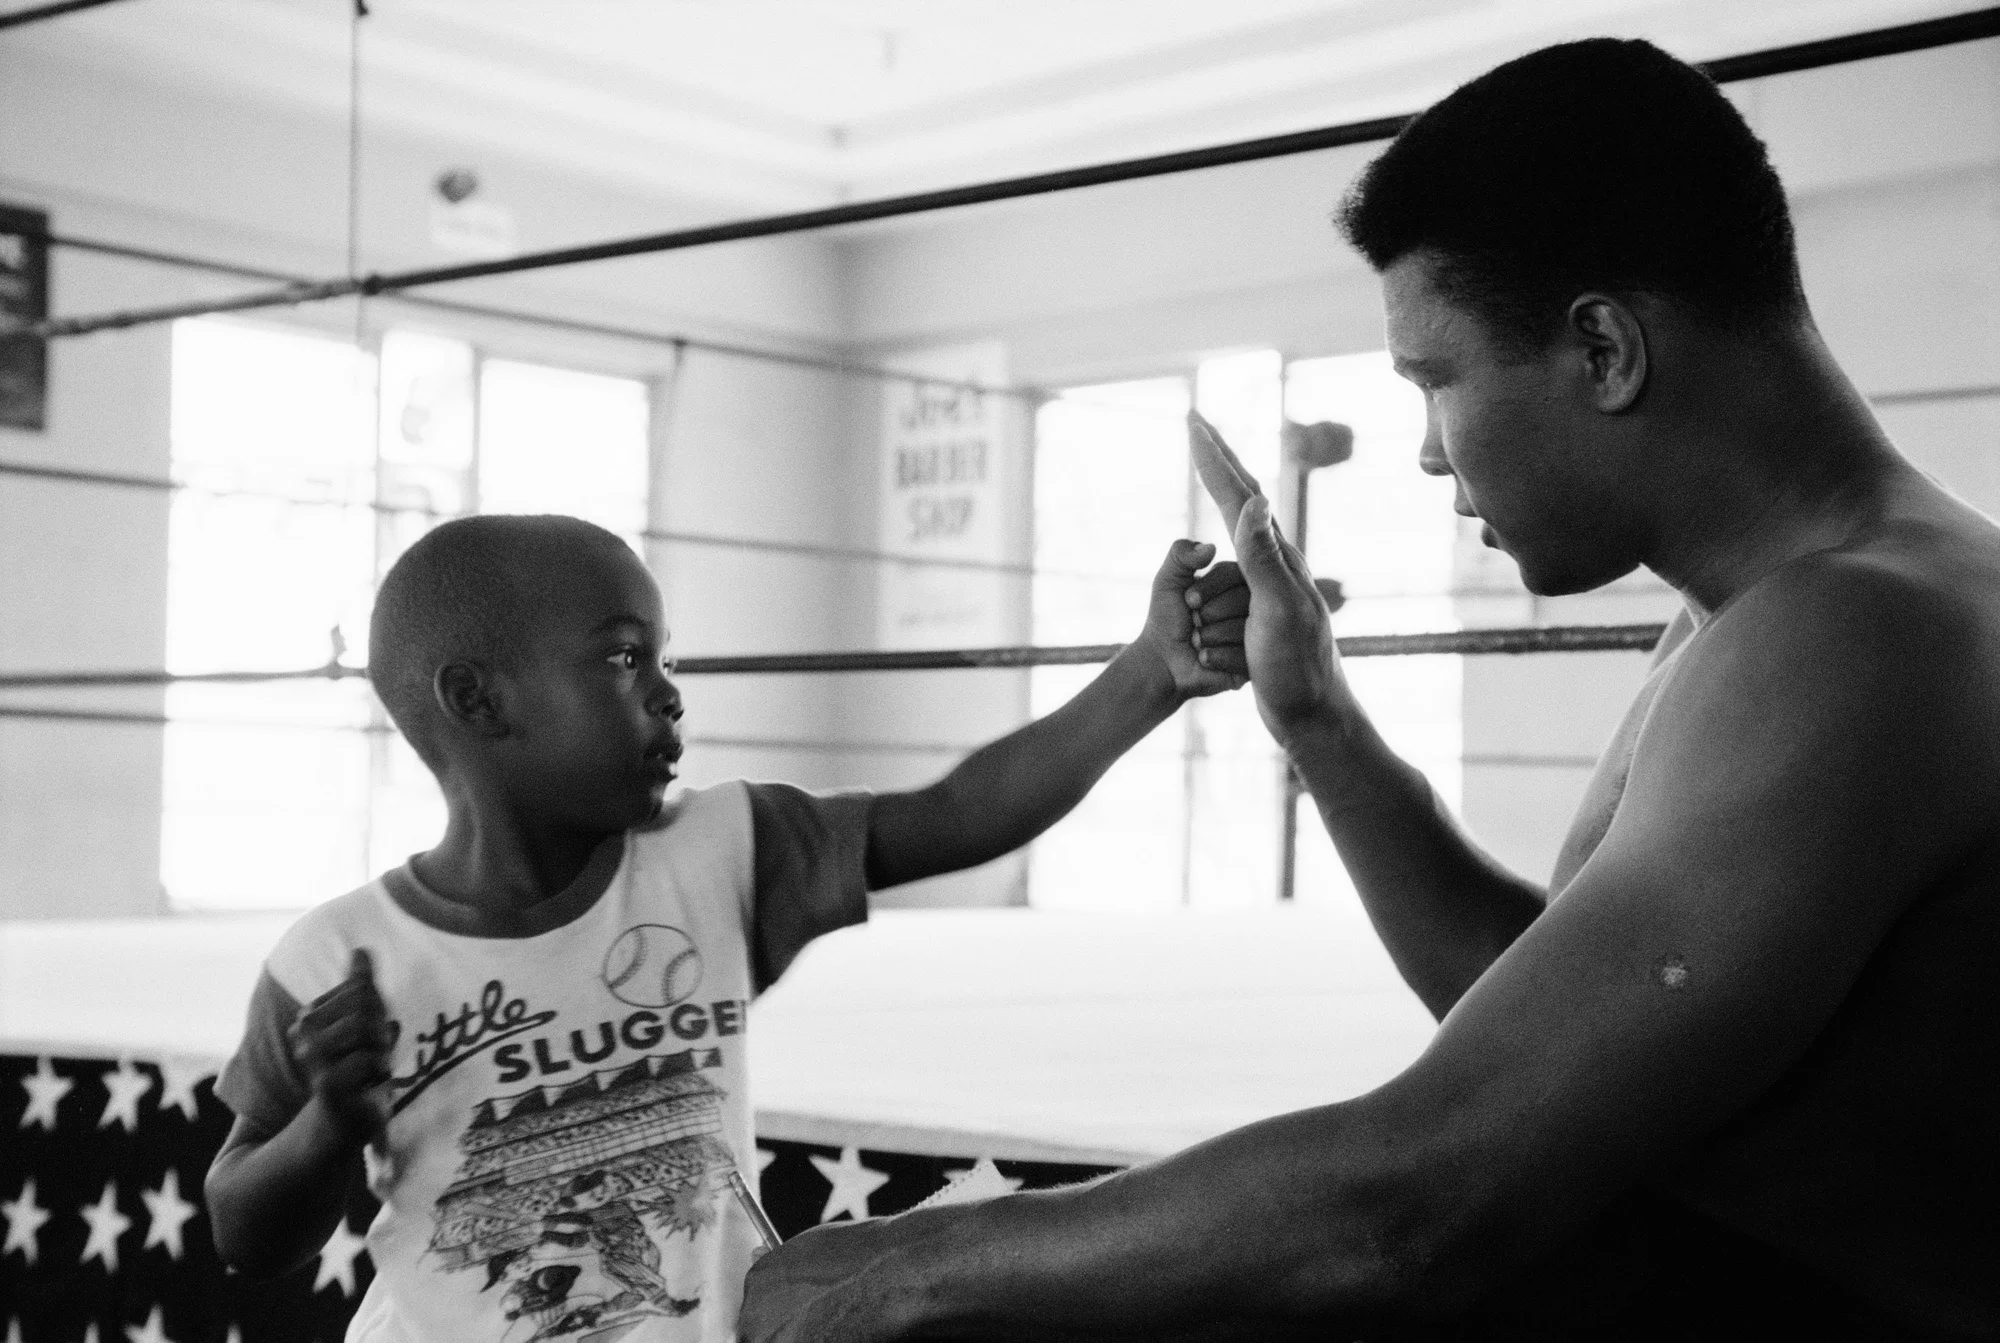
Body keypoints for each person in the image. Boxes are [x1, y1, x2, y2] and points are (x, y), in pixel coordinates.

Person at [738, 37, 2000, 1343]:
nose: (1423, 451)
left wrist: (910, 1262)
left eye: (1435, 380)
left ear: (1605, 349)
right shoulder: (1777, 607)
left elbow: (1421, 1198)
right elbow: (1545, 1034)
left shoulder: (1855, 631)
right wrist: (1318, 720)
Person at [204, 511, 1250, 1343]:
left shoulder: (714, 853)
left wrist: (1148, 671)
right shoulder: (334, 962)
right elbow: (245, 1233)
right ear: (478, 700)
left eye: (661, 657)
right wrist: (326, 1125)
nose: (667, 693)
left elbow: (959, 811)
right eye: (622, 659)